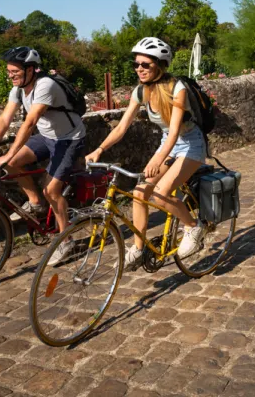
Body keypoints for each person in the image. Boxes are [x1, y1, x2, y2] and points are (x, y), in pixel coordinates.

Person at [86, 37, 207, 271]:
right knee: (139, 193)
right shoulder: (140, 92)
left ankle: (194, 227)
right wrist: (99, 150)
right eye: (136, 65)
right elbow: (122, 127)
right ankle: (139, 248)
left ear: (160, 65)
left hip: (190, 145)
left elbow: (174, 132)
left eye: (145, 65)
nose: (139, 69)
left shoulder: (177, 89)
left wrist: (157, 159)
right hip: (168, 145)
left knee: (160, 195)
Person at [0, 46, 86, 266]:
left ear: (31, 70)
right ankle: (35, 202)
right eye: (8, 71)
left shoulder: (45, 85)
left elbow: (30, 122)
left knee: (51, 190)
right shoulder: (18, 89)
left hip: (69, 139)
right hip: (46, 137)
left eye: (15, 71)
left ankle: (66, 242)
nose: (11, 76)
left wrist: (8, 153)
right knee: (12, 164)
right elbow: (4, 120)